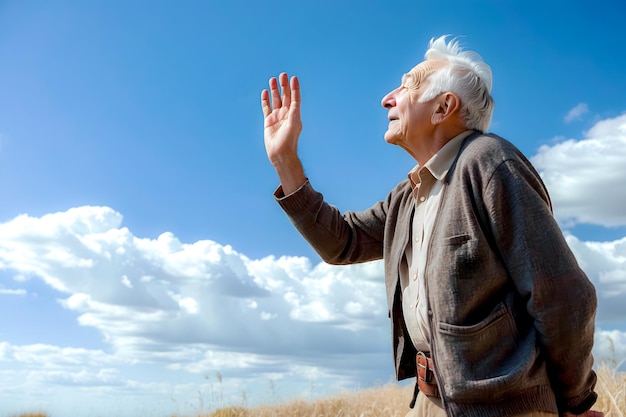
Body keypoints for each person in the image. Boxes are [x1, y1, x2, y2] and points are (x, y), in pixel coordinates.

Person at [260, 35, 603, 417]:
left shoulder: (489, 162)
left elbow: (563, 296)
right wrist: (285, 161)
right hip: (430, 402)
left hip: (501, 408)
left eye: (406, 86)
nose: (387, 99)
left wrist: (575, 402)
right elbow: (343, 242)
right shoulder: (409, 195)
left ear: (444, 107)